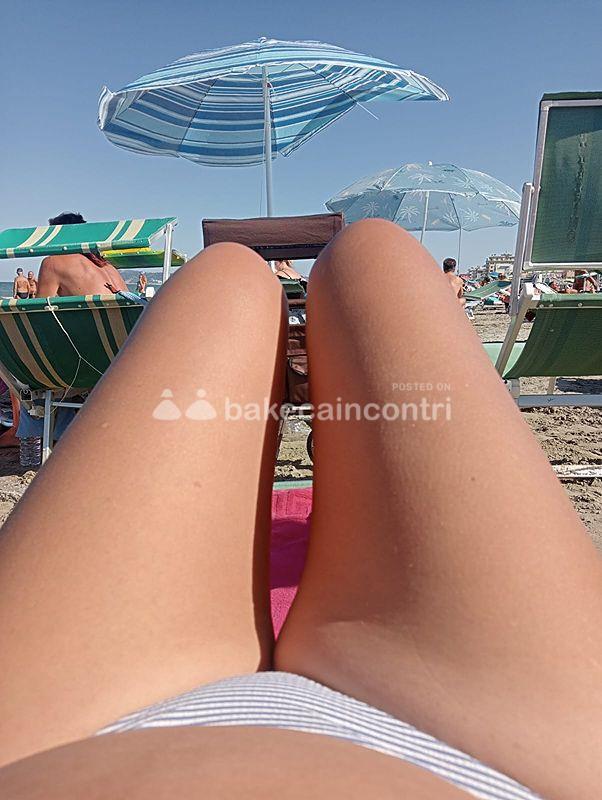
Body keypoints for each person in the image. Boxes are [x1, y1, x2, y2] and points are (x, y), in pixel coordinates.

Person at [0, 222, 600, 800]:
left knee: (231, 272)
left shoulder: (56, 266)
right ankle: (329, 410)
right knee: (365, 253)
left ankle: (296, 398)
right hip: (510, 752)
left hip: (54, 732)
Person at [36, 212, 127, 298]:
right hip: (126, 309)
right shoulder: (106, 265)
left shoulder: (53, 262)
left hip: (95, 310)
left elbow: (41, 306)